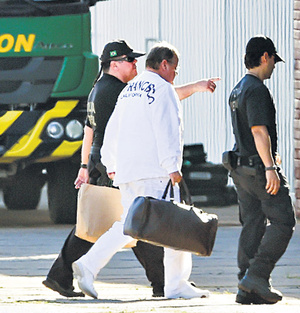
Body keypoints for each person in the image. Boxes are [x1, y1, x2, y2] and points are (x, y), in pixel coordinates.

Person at [43, 39, 219, 298]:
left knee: (128, 224)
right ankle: (174, 284)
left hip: (126, 171)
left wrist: (112, 163)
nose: (174, 75)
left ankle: (88, 265)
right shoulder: (162, 89)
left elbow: (110, 128)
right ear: (164, 64)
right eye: (175, 69)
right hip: (154, 172)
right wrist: (173, 167)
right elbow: (169, 129)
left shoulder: (128, 90)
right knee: (174, 225)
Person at [227, 35, 296, 305]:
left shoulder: (238, 89)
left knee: (253, 222)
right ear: (264, 57)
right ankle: (257, 275)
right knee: (283, 221)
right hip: (258, 169)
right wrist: (270, 167)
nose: (274, 67)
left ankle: (247, 285)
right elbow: (258, 130)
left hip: (241, 169)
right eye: (273, 61)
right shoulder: (255, 89)